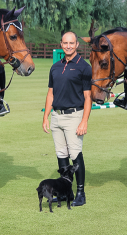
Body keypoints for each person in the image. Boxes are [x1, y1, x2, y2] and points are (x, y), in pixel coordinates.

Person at [42, 31, 92, 206]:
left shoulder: (84, 67)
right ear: (61, 44)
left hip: (74, 117)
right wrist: (46, 116)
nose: (68, 46)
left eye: (72, 43)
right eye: (65, 43)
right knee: (61, 155)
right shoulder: (55, 67)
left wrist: (84, 120)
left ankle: (80, 193)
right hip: (56, 116)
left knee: (75, 155)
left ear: (77, 45)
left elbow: (88, 97)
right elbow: (50, 94)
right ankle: (64, 192)